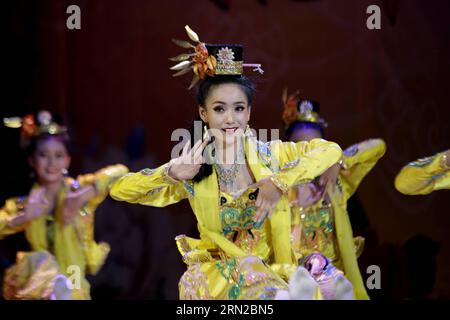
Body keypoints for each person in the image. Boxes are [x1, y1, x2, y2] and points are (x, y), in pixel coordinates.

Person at [110, 26, 343, 300]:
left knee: (328, 280)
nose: (230, 119)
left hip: (272, 274)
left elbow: (329, 150)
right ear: (204, 113)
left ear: (249, 113)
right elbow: (119, 189)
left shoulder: (271, 156)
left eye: (238, 108)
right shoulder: (194, 168)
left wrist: (279, 182)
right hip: (217, 281)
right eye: (219, 109)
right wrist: (171, 173)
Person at [0, 110, 128, 299]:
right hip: (38, 287)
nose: (51, 163)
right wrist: (24, 218)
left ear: (67, 159)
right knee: (39, 261)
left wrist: (82, 196)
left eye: (58, 155)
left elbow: (121, 171)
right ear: (32, 161)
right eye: (43, 155)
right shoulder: (24, 204)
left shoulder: (79, 190)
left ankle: (60, 291)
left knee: (69, 287)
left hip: (74, 279)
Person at [282, 89, 386, 299]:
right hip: (293, 282)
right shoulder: (279, 189)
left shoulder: (335, 185)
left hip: (334, 280)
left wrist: (340, 161)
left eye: (316, 147)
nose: (309, 154)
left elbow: (378, 146)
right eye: (301, 146)